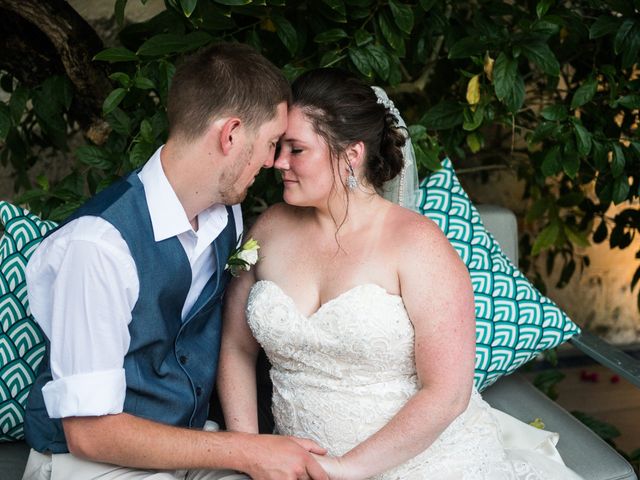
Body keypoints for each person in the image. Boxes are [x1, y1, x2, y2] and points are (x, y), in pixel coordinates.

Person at [217, 68, 585, 479]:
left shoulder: (418, 244)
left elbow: (447, 394)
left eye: (297, 150)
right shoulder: (267, 228)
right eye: (279, 146)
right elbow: (236, 347)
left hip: (425, 464)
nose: (277, 162)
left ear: (351, 156)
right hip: (292, 470)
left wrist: (345, 469)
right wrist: (248, 452)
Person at [21, 43, 329, 480]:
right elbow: (89, 433)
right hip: (91, 463)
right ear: (231, 134)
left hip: (188, 446)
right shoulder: (99, 247)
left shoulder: (227, 217)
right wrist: (247, 451)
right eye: (271, 143)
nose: (273, 162)